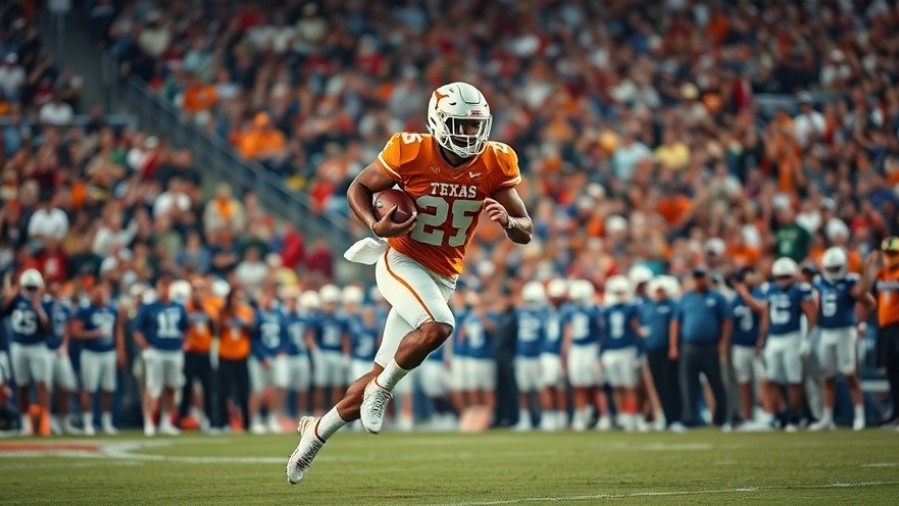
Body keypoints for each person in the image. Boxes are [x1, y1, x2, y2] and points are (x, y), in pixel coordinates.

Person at [287, 82, 531, 483]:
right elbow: (359, 187)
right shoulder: (410, 149)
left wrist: (510, 224)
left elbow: (527, 228)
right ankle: (384, 390)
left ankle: (315, 433)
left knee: (380, 370)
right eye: (460, 125)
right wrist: (374, 224)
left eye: (475, 127)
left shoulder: (497, 160)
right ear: (438, 121)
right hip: (402, 260)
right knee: (439, 326)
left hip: (443, 276)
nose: (470, 135)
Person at [809, 247, 874, 431]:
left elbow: (866, 297)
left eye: (836, 268)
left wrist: (862, 324)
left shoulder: (850, 282)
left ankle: (859, 417)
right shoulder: (819, 282)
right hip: (825, 331)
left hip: (845, 331)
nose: (833, 272)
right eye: (830, 268)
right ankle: (827, 418)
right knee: (827, 376)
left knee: (850, 374)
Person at [756, 257, 817, 432]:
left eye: (786, 276)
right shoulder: (769, 289)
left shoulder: (801, 290)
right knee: (771, 379)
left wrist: (807, 339)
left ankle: (795, 415)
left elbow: (811, 315)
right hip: (774, 338)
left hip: (793, 336)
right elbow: (765, 316)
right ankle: (779, 414)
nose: (782, 280)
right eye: (779, 276)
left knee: (794, 380)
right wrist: (762, 340)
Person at [670, 267, 732, 429]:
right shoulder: (685, 299)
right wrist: (674, 346)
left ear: (707, 278)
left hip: (710, 347)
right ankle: (690, 419)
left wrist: (723, 343)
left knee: (716, 382)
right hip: (689, 346)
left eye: (701, 277)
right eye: (696, 277)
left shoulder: (717, 298)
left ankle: (722, 418)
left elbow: (727, 321)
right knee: (688, 384)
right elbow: (676, 322)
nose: (699, 280)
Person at [133, 273, 188, 436]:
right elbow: (137, 331)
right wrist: (146, 348)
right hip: (156, 351)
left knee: (171, 387)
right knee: (152, 387)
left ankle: (166, 421)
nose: (165, 289)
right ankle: (149, 421)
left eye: (168, 286)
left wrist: (184, 344)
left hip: (174, 351)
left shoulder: (179, 306)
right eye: (162, 286)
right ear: (157, 288)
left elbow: (185, 328)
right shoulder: (149, 307)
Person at [2, 269, 51, 436]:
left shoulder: (46, 301)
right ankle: (26, 424)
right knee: (22, 385)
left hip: (38, 346)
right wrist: (13, 292)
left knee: (41, 384)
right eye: (28, 287)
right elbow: (2, 311)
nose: (30, 291)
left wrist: (39, 309)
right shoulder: (16, 300)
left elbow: (48, 328)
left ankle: (45, 422)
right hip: (19, 346)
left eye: (33, 287)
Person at [72, 282, 124, 435]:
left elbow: (117, 330)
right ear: (92, 292)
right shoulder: (85, 309)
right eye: (97, 291)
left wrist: (120, 350)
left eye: (103, 291)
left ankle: (107, 423)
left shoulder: (112, 308)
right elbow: (75, 332)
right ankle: (88, 424)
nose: (101, 294)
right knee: (89, 389)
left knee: (108, 389)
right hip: (90, 352)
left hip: (108, 352)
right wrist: (94, 334)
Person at [600, 275, 645, 432]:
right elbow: (604, 333)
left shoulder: (632, 309)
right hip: (612, 350)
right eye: (616, 292)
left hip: (627, 349)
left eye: (621, 292)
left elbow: (637, 330)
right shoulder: (607, 310)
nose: (619, 295)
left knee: (630, 386)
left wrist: (638, 352)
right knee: (617, 386)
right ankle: (622, 416)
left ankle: (632, 414)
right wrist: (602, 353)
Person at [642, 276, 684, 431]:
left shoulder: (672, 305)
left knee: (671, 383)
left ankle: (676, 418)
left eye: (661, 290)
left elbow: (675, 326)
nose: (659, 294)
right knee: (659, 385)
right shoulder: (647, 306)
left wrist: (673, 347)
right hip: (652, 349)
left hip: (667, 349)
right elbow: (642, 326)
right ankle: (666, 417)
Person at [865, 236, 899, 427]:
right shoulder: (882, 274)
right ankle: (895, 412)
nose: (889, 257)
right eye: (887, 253)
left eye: (893, 253)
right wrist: (869, 268)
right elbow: (868, 296)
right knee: (892, 372)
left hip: (898, 326)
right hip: (885, 328)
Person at [561, 280, 602, 432]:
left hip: (591, 348)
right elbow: (568, 332)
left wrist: (600, 353)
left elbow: (601, 333)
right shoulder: (569, 310)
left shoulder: (595, 310)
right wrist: (564, 353)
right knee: (578, 384)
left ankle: (600, 415)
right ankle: (581, 415)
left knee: (594, 384)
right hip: (576, 349)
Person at [178, 277, 218, 431]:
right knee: (186, 386)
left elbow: (215, 329)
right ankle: (182, 419)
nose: (199, 293)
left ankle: (209, 419)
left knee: (208, 387)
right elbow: (180, 329)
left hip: (205, 352)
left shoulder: (210, 309)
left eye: (202, 289)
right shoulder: (186, 308)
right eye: (196, 290)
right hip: (190, 352)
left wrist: (206, 310)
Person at [249, 286, 289, 434]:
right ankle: (255, 420)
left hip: (277, 354)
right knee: (258, 389)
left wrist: (282, 351)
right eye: (265, 297)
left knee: (281, 385)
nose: (267, 300)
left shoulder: (279, 314)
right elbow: (252, 338)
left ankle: (273, 418)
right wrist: (262, 356)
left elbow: (285, 336)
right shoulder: (256, 315)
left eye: (270, 297)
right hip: (259, 357)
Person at [731, 268, 767, 427]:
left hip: (757, 345)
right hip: (740, 345)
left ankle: (766, 414)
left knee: (762, 381)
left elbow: (762, 309)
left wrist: (745, 295)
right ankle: (747, 417)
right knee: (744, 382)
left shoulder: (760, 293)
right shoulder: (734, 300)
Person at [215, 287, 254, 432]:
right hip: (225, 356)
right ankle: (222, 423)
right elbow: (215, 330)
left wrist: (244, 322)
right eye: (236, 298)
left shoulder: (246, 312)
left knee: (243, 391)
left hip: (241, 357)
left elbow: (252, 329)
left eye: (240, 298)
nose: (238, 301)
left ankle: (247, 424)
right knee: (223, 392)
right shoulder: (223, 313)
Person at [43, 280, 78, 435]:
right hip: (45, 349)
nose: (57, 293)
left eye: (58, 290)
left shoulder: (65, 307)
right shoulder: (44, 305)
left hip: (59, 349)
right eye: (53, 291)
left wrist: (64, 346)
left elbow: (67, 329)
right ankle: (48, 421)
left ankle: (65, 422)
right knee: (46, 388)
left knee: (66, 386)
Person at [309, 284, 350, 415]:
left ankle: (334, 416)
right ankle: (318, 413)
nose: (330, 306)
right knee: (320, 385)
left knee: (336, 387)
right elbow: (310, 337)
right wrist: (315, 353)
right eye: (328, 303)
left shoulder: (341, 318)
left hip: (336, 354)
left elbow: (345, 338)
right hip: (323, 353)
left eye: (332, 303)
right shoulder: (317, 318)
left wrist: (345, 355)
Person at [512, 281, 547, 431]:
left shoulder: (544, 314)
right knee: (524, 389)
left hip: (537, 355)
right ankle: (525, 419)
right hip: (522, 355)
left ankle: (546, 418)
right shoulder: (521, 312)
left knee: (540, 389)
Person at [282, 288, 317, 419]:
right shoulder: (282, 315)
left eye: (294, 299)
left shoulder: (303, 317)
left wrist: (314, 356)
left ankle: (300, 413)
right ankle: (283, 415)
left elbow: (308, 337)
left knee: (302, 387)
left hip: (300, 354)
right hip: (286, 355)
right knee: (284, 386)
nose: (292, 302)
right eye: (290, 299)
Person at [539, 279, 568, 431]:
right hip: (548, 352)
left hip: (560, 352)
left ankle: (561, 417)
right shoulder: (544, 310)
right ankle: (549, 416)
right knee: (547, 385)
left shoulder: (567, 310)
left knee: (560, 387)